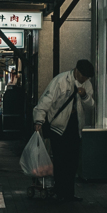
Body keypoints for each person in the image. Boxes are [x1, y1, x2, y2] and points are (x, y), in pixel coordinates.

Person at [33, 59, 95, 202]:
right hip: (58, 127)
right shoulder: (60, 81)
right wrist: (38, 120)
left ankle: (68, 193)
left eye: (87, 78)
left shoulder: (87, 84)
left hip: (75, 126)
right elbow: (45, 101)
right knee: (60, 160)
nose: (85, 80)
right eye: (83, 76)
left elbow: (91, 106)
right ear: (77, 71)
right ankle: (60, 191)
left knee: (72, 161)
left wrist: (84, 95)